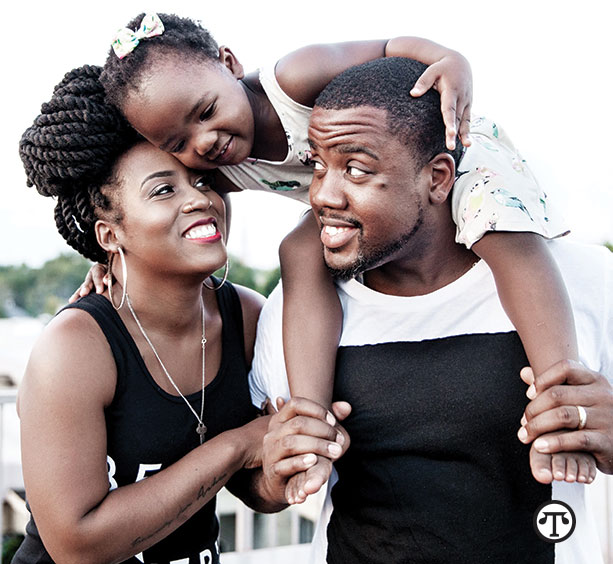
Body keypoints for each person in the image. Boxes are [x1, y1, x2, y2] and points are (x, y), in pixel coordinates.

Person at [76, 12, 580, 485]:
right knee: (299, 250)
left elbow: (389, 47)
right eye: (176, 140)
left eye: (206, 112)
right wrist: (110, 260)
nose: (203, 141)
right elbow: (136, 208)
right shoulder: (217, 164)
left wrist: (450, 60)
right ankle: (310, 422)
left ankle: (560, 400)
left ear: (230, 64)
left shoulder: (293, 78)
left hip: (449, 144)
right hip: (353, 194)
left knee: (497, 229)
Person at [249, 57, 613, 563]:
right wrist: (273, 470)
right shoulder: (295, 308)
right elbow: (256, 484)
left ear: (439, 178)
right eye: (316, 165)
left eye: (356, 168)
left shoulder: (587, 281)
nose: (322, 195)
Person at [14, 65, 347, 564]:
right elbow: (75, 546)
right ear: (110, 236)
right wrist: (239, 445)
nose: (200, 200)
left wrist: (283, 463)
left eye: (203, 181)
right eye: (164, 190)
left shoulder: (246, 317)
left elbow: (253, 490)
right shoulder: (78, 346)